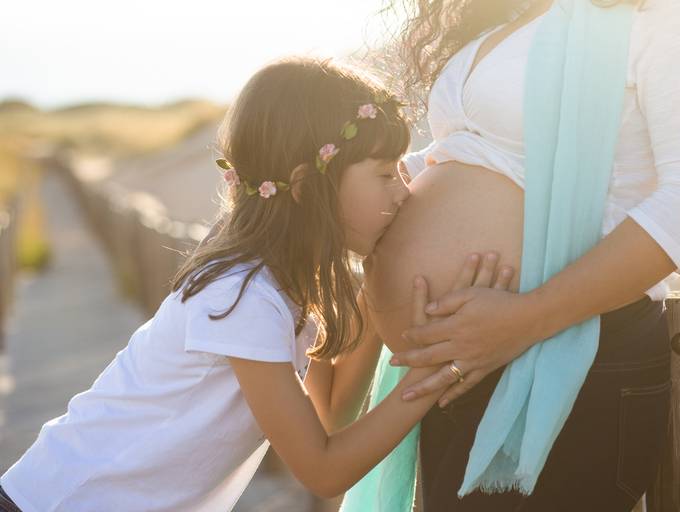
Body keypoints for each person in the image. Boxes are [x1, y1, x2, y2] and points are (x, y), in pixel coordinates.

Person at [0, 56, 514, 512]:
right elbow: (323, 469)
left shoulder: (283, 282)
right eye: (384, 174)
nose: (405, 192)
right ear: (310, 185)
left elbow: (331, 415)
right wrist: (441, 365)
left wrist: (380, 295)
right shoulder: (242, 293)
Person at [354, 0, 680, 510]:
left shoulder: (675, 9)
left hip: (575, 357)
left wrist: (525, 318)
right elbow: (467, 156)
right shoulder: (514, 14)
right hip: (461, 364)